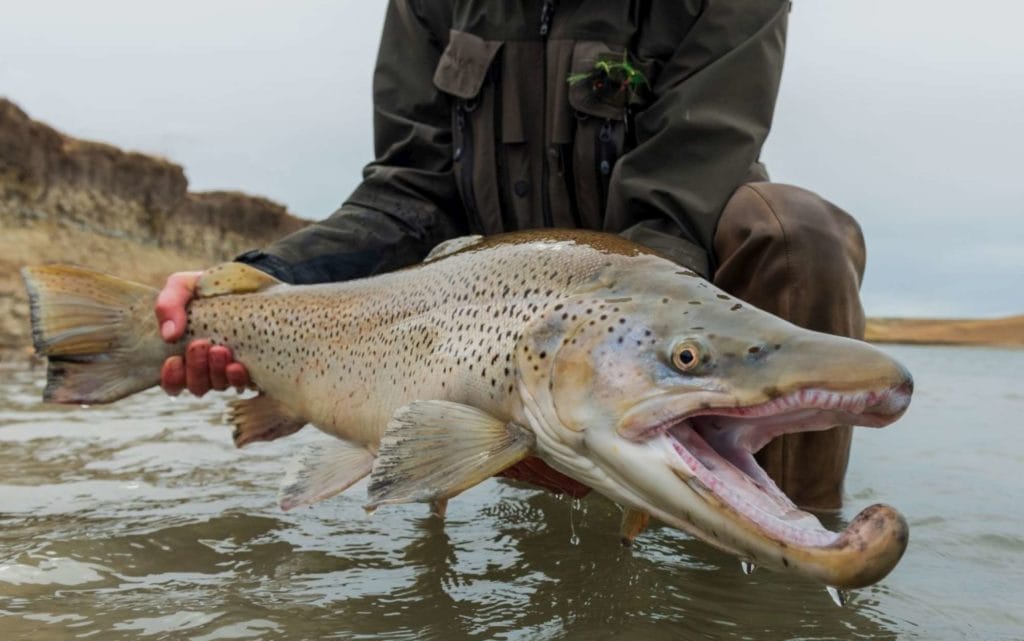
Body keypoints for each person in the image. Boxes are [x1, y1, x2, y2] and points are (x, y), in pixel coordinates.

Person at [156, 0, 866, 511]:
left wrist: (588, 381)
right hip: (479, 306)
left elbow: (676, 203)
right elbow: (409, 190)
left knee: (799, 235)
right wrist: (262, 283)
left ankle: (778, 569)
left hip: (659, 293)